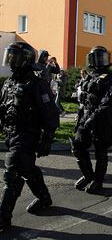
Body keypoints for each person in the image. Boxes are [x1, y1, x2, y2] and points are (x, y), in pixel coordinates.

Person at [0, 42, 59, 230]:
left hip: (27, 134)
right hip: (11, 134)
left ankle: (3, 217)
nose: (11, 61)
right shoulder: (10, 82)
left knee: (12, 173)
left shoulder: (36, 83)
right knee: (27, 169)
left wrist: (47, 139)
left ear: (25, 60)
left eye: (14, 57)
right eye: (9, 56)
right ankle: (44, 198)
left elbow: (51, 113)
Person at [70, 46, 112, 194]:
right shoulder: (90, 76)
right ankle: (88, 175)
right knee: (77, 146)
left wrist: (94, 117)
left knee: (100, 151)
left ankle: (98, 180)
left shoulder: (111, 78)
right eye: (96, 58)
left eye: (102, 57)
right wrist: (80, 116)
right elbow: (83, 99)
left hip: (101, 119)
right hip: (85, 117)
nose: (99, 61)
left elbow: (108, 102)